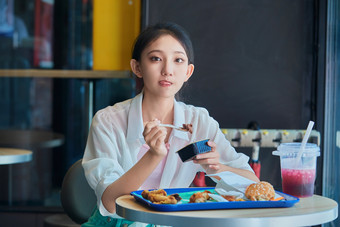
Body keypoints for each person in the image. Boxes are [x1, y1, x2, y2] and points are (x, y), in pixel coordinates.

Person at [82, 22, 259, 227]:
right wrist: (153, 156)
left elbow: (252, 183)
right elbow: (110, 203)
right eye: (156, 59)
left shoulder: (199, 122)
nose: (167, 70)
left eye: (178, 60)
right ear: (137, 67)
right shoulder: (108, 121)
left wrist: (217, 168)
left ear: (188, 72)